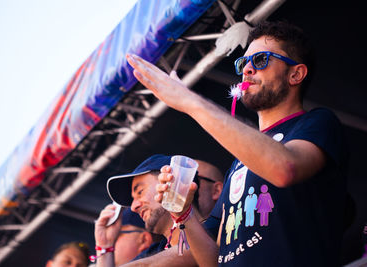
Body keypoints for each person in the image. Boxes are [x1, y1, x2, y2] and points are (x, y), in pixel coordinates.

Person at [126, 20, 348, 267]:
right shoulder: (239, 165)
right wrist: (183, 213)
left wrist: (190, 102)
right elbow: (212, 260)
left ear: (295, 74)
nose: (248, 70)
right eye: (243, 63)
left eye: (261, 60)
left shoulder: (317, 122)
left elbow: (285, 168)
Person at [93, 154, 223, 266]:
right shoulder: (154, 251)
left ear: (171, 181)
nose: (133, 207)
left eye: (140, 191)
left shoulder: (215, 230)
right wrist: (105, 246)